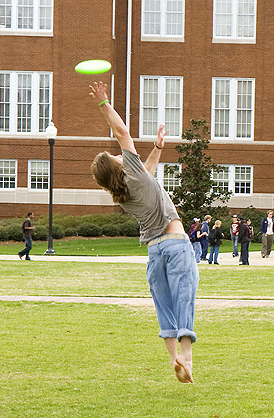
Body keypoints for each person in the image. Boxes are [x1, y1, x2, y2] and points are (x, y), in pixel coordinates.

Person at [89, 81, 197, 384]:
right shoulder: (130, 171)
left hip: (154, 251)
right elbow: (122, 133)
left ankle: (173, 356)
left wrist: (158, 147)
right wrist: (103, 103)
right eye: (117, 157)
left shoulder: (121, 191)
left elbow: (147, 174)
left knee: (164, 305)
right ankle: (186, 357)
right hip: (176, 244)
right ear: (118, 166)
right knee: (184, 299)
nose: (121, 155)